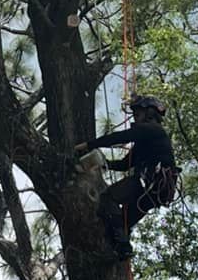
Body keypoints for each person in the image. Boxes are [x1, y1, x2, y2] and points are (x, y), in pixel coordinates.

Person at [75, 95, 179, 260]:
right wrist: (104, 164)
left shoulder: (153, 130)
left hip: (150, 183)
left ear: (150, 113)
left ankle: (121, 245)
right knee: (122, 223)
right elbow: (125, 164)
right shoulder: (146, 141)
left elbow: (121, 137)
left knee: (108, 198)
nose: (135, 117)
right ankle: (121, 250)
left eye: (138, 113)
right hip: (155, 192)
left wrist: (89, 144)